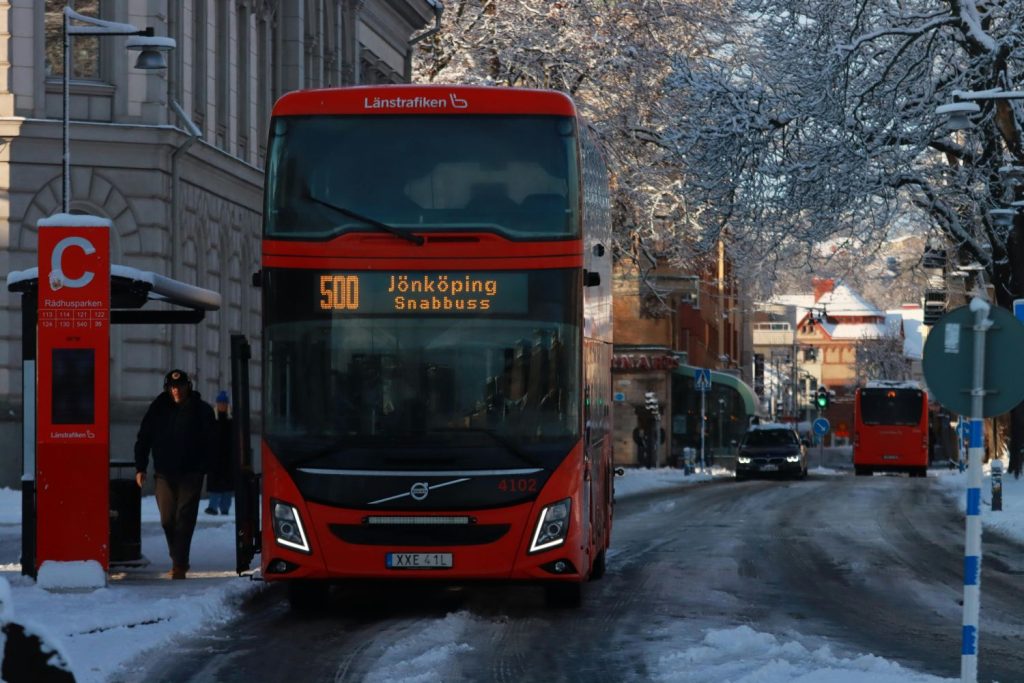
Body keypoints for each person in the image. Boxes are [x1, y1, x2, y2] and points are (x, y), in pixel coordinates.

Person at [134, 370, 216, 580]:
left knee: (184, 518)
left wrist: (205, 466)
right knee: (167, 519)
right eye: (172, 387)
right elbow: (144, 436)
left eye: (179, 386)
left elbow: (212, 442)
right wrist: (140, 467)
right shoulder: (158, 408)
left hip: (191, 472)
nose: (176, 390)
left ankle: (179, 564)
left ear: (188, 386)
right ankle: (177, 556)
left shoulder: (202, 410)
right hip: (164, 472)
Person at [205, 390, 235, 516]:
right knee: (215, 485)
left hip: (228, 458)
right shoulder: (212, 419)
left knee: (227, 486)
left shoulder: (232, 421)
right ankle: (213, 507)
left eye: (224, 403)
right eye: (220, 403)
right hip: (215, 457)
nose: (222, 405)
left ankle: (224, 508)